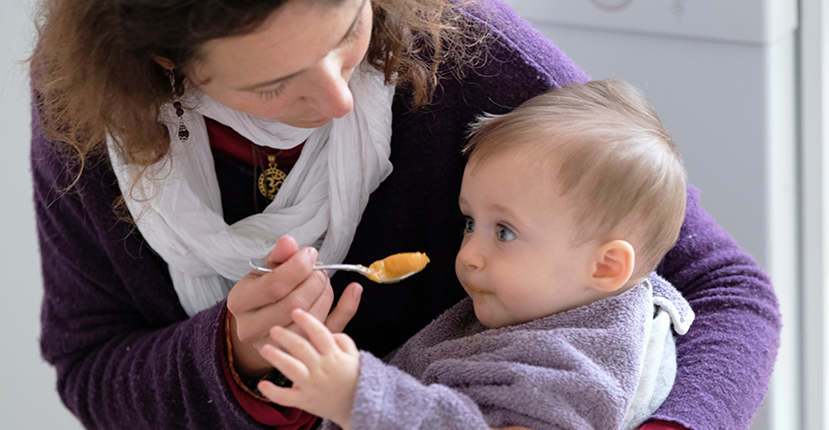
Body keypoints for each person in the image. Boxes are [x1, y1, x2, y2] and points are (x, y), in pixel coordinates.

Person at [27, 0, 779, 429]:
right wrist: (235, 359)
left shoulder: (464, 49)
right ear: (166, 65)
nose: (336, 100)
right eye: (278, 83)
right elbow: (91, 365)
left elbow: (724, 293)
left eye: (349, 28)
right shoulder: (90, 124)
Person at [256, 79, 695, 430]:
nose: (468, 255)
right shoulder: (543, 308)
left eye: (504, 231)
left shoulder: (578, 369)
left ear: (605, 266)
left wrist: (360, 397)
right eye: (470, 223)